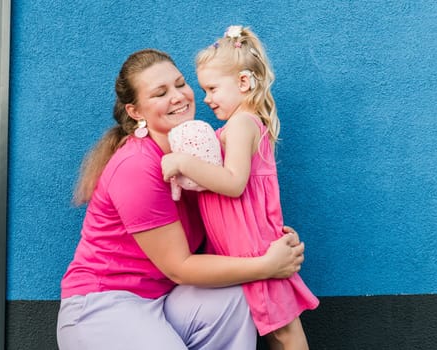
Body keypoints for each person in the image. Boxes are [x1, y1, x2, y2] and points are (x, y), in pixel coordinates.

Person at [56, 48, 306, 350]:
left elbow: (233, 214)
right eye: (160, 93)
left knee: (238, 297)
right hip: (106, 304)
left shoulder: (197, 155)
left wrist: (273, 241)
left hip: (164, 301)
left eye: (180, 84)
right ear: (135, 112)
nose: (178, 96)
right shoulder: (136, 166)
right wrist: (268, 264)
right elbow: (180, 267)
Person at [161, 25, 319, 350]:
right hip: (243, 244)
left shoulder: (242, 125)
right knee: (275, 329)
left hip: (252, 246)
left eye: (213, 88)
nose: (206, 99)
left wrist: (182, 163)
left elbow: (234, 183)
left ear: (244, 82)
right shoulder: (235, 127)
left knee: (284, 332)